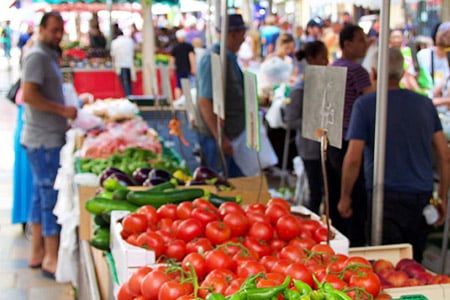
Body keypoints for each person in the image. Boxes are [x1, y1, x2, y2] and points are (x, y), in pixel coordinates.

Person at [338, 47, 450, 262]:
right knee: (414, 263)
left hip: (384, 196)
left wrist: (345, 196)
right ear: (401, 74)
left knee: (385, 264)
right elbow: (445, 154)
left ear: (373, 73)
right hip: (421, 194)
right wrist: (442, 197)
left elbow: (353, 158)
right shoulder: (424, 104)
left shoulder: (366, 105)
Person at [21, 11, 78, 279]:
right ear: (42, 29)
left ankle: (36, 253)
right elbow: (29, 95)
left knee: (38, 196)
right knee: (47, 198)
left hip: (44, 137)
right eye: (54, 30)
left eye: (60, 31)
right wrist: (63, 111)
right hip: (43, 139)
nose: (58, 35)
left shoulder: (46, 54)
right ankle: (50, 258)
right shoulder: (37, 56)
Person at [328, 24, 373, 247]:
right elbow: (371, 103)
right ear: (347, 44)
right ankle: (355, 246)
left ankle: (338, 242)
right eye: (361, 40)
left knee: (336, 194)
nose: (365, 45)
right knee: (354, 199)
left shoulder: (333, 67)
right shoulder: (358, 71)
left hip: (332, 141)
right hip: (351, 141)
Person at [195, 14, 248, 177]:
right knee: (221, 182)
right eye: (242, 34)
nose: (244, 39)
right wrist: (220, 138)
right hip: (216, 139)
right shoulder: (213, 59)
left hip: (229, 136)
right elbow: (205, 101)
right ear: (233, 34)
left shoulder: (227, 58)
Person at [284, 41, 329, 213]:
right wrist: (313, 122)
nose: (326, 62)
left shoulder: (322, 85)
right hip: (309, 148)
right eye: (322, 57)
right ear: (311, 59)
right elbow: (290, 120)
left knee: (324, 189)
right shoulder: (300, 89)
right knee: (315, 190)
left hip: (323, 146)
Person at [169, 29, 196, 100]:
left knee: (178, 86)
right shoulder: (189, 47)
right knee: (187, 85)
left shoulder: (175, 47)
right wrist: (193, 68)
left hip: (179, 69)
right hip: (187, 69)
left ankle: (178, 100)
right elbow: (191, 58)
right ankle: (186, 101)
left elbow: (171, 59)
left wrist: (171, 69)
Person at [110, 27, 135, 97]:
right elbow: (133, 52)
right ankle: (130, 98)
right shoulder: (130, 41)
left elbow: (113, 55)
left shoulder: (114, 42)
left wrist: (113, 66)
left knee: (125, 83)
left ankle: (128, 98)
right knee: (129, 83)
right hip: (130, 64)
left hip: (120, 65)